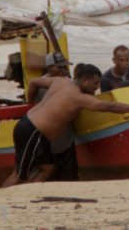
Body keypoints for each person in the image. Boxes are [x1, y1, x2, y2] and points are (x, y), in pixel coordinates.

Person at [3, 64, 129, 187]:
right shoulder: (78, 97)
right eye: (95, 83)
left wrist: (30, 103)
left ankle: (26, 196)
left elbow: (35, 82)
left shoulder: (60, 81)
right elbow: (111, 107)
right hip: (33, 132)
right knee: (19, 175)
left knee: (48, 167)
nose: (96, 88)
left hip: (28, 124)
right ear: (84, 81)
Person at [34, 51, 77, 182]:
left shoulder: (66, 82)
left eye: (64, 66)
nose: (63, 69)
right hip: (51, 137)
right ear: (49, 67)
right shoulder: (43, 86)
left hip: (64, 138)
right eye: (59, 67)